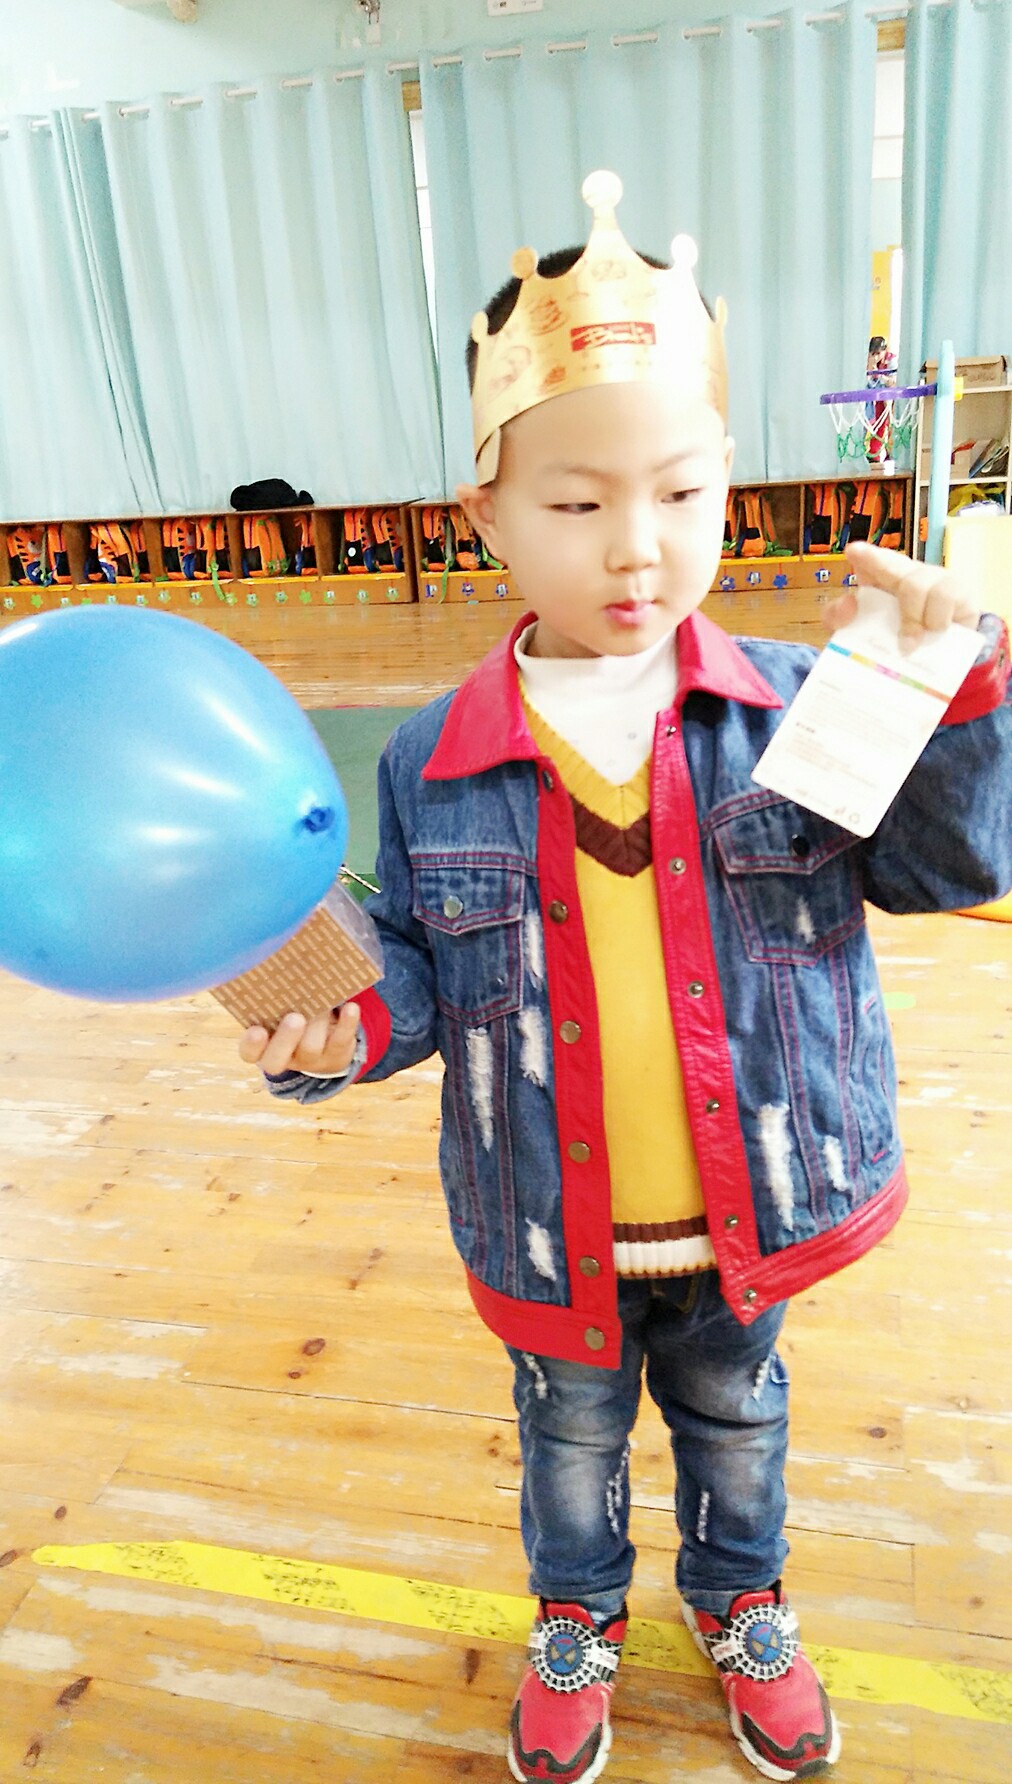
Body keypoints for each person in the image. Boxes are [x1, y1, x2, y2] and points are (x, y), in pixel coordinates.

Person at [239, 174, 1011, 1782]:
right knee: (568, 1441)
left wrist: (957, 693)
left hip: (747, 1212)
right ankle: (576, 1614)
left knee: (740, 1424)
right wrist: (336, 1024)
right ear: (486, 518)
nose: (639, 546)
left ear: (729, 478)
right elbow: (421, 976)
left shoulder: (802, 706)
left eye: (680, 492)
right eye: (579, 504)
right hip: (549, 1217)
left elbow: (943, 870)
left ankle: (742, 1600)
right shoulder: (436, 760)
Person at [866, 334, 898, 465]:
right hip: (875, 394)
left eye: (878, 353)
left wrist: (879, 375)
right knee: (875, 422)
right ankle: (874, 453)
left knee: (889, 422)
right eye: (873, 353)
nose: (876, 356)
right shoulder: (869, 360)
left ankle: (890, 451)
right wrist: (871, 368)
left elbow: (893, 382)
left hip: (889, 395)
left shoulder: (891, 360)